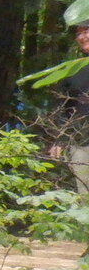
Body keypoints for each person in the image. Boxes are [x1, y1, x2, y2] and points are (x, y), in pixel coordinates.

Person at [45, 22, 89, 191]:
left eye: (86, 31)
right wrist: (60, 139)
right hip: (81, 144)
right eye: (78, 33)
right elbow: (64, 108)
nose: (81, 37)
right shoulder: (73, 70)